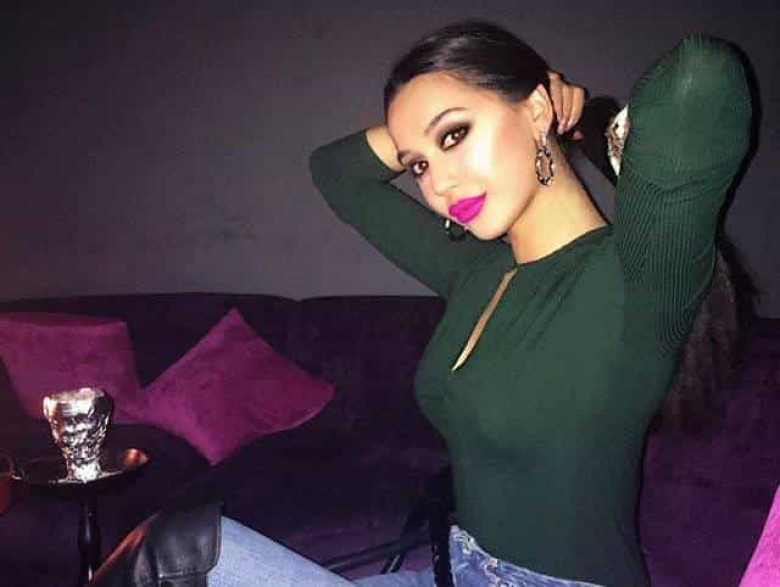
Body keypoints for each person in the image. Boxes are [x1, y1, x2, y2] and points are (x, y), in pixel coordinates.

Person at [92, 20, 753, 587]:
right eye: (418, 165)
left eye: (454, 135)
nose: (437, 185)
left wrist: (582, 119)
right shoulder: (477, 270)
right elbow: (335, 171)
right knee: (178, 552)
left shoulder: (636, 279)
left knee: (179, 552)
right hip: (457, 568)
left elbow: (702, 76)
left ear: (536, 108)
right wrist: (419, 129)